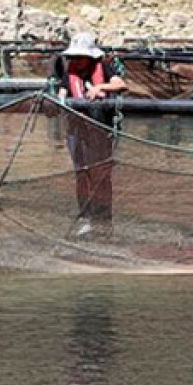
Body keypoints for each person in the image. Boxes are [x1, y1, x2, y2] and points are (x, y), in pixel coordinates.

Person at [52, 32, 128, 237]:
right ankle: (86, 217)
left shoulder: (104, 67)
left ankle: (103, 220)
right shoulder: (70, 74)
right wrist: (60, 101)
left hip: (100, 131)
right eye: (72, 57)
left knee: (101, 177)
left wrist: (99, 87)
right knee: (81, 174)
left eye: (79, 57)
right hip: (77, 132)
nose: (75, 61)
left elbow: (120, 85)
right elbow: (61, 93)